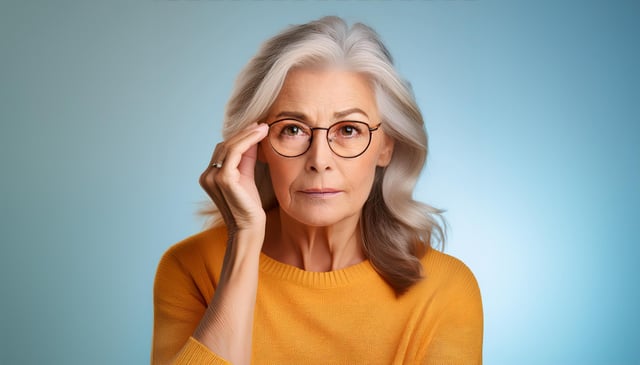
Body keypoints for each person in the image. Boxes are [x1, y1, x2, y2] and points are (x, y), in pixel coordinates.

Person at [152, 16, 483, 365]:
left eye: (349, 130)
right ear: (256, 145)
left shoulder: (445, 288)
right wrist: (244, 240)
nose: (319, 159)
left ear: (386, 147)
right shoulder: (190, 267)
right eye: (293, 129)